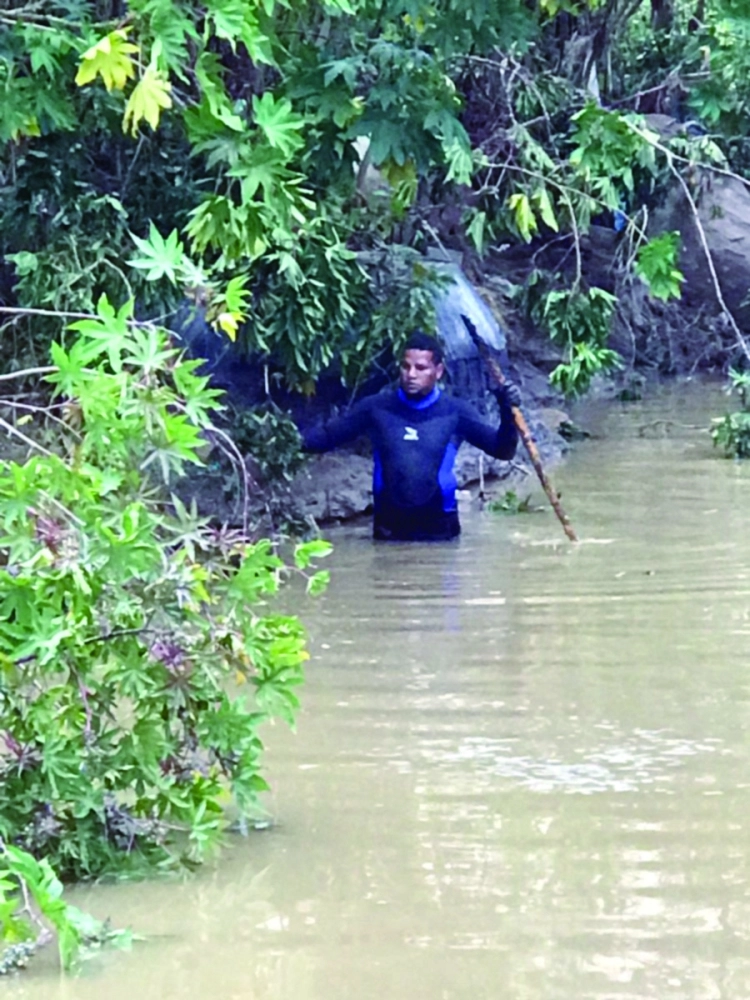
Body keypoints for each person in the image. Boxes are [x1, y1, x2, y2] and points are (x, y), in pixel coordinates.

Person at [302, 331, 521, 541]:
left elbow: (503, 451)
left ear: (438, 371)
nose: (411, 375)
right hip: (389, 530)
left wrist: (507, 411)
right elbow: (326, 438)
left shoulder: (455, 412)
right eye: (406, 366)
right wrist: (282, 442)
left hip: (440, 531)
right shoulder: (376, 409)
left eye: (421, 368)